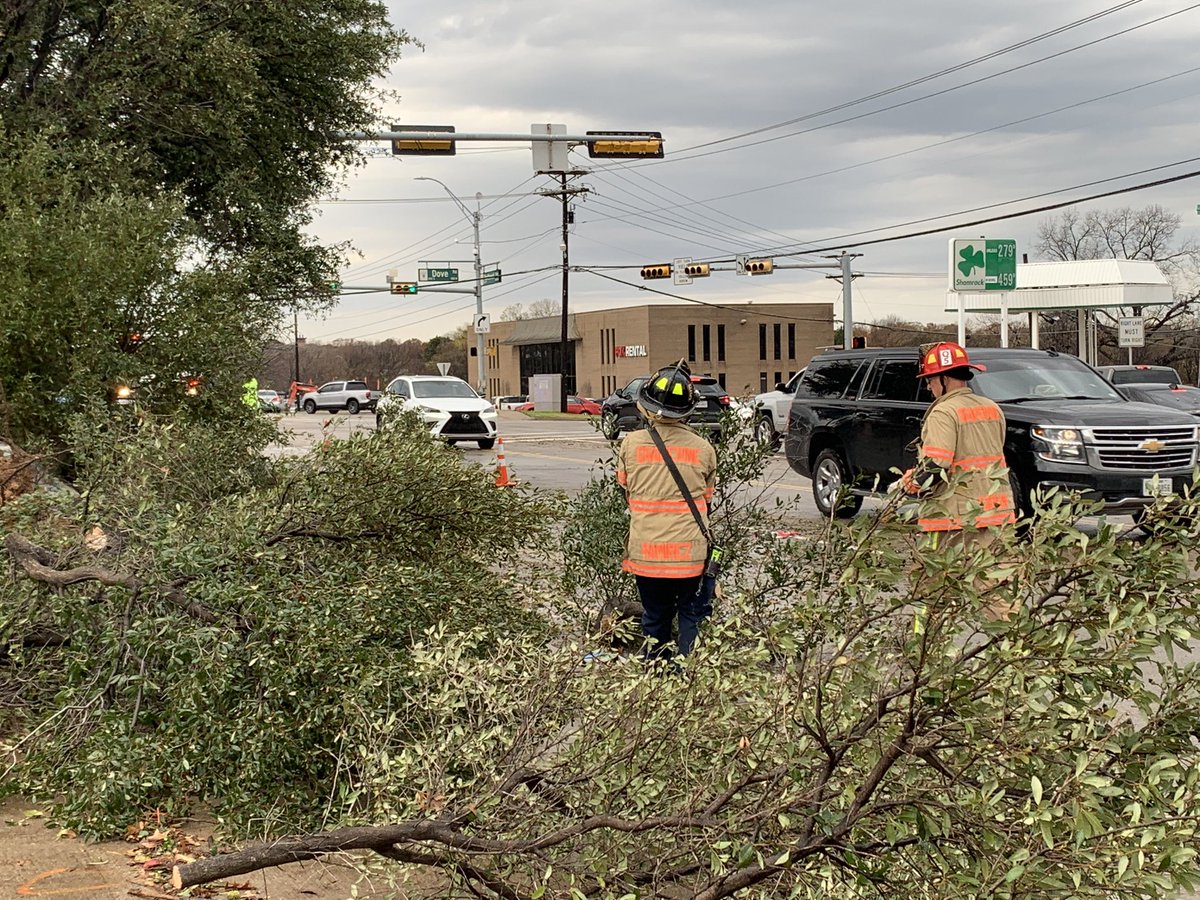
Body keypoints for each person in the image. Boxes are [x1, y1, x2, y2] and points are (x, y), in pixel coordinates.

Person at [617, 360, 718, 657]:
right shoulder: (703, 449)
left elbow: (626, 490)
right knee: (691, 617)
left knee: (654, 618)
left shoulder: (631, 445)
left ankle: (654, 679)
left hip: (646, 554)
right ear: (688, 409)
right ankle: (689, 679)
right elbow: (707, 502)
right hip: (689, 556)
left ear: (646, 406)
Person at [899, 341, 1016, 548]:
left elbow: (937, 465)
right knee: (995, 577)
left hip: (954, 519)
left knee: (939, 578)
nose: (928, 387)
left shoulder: (943, 413)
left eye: (930, 380)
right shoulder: (992, 408)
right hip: (998, 513)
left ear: (945, 378)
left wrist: (910, 484)